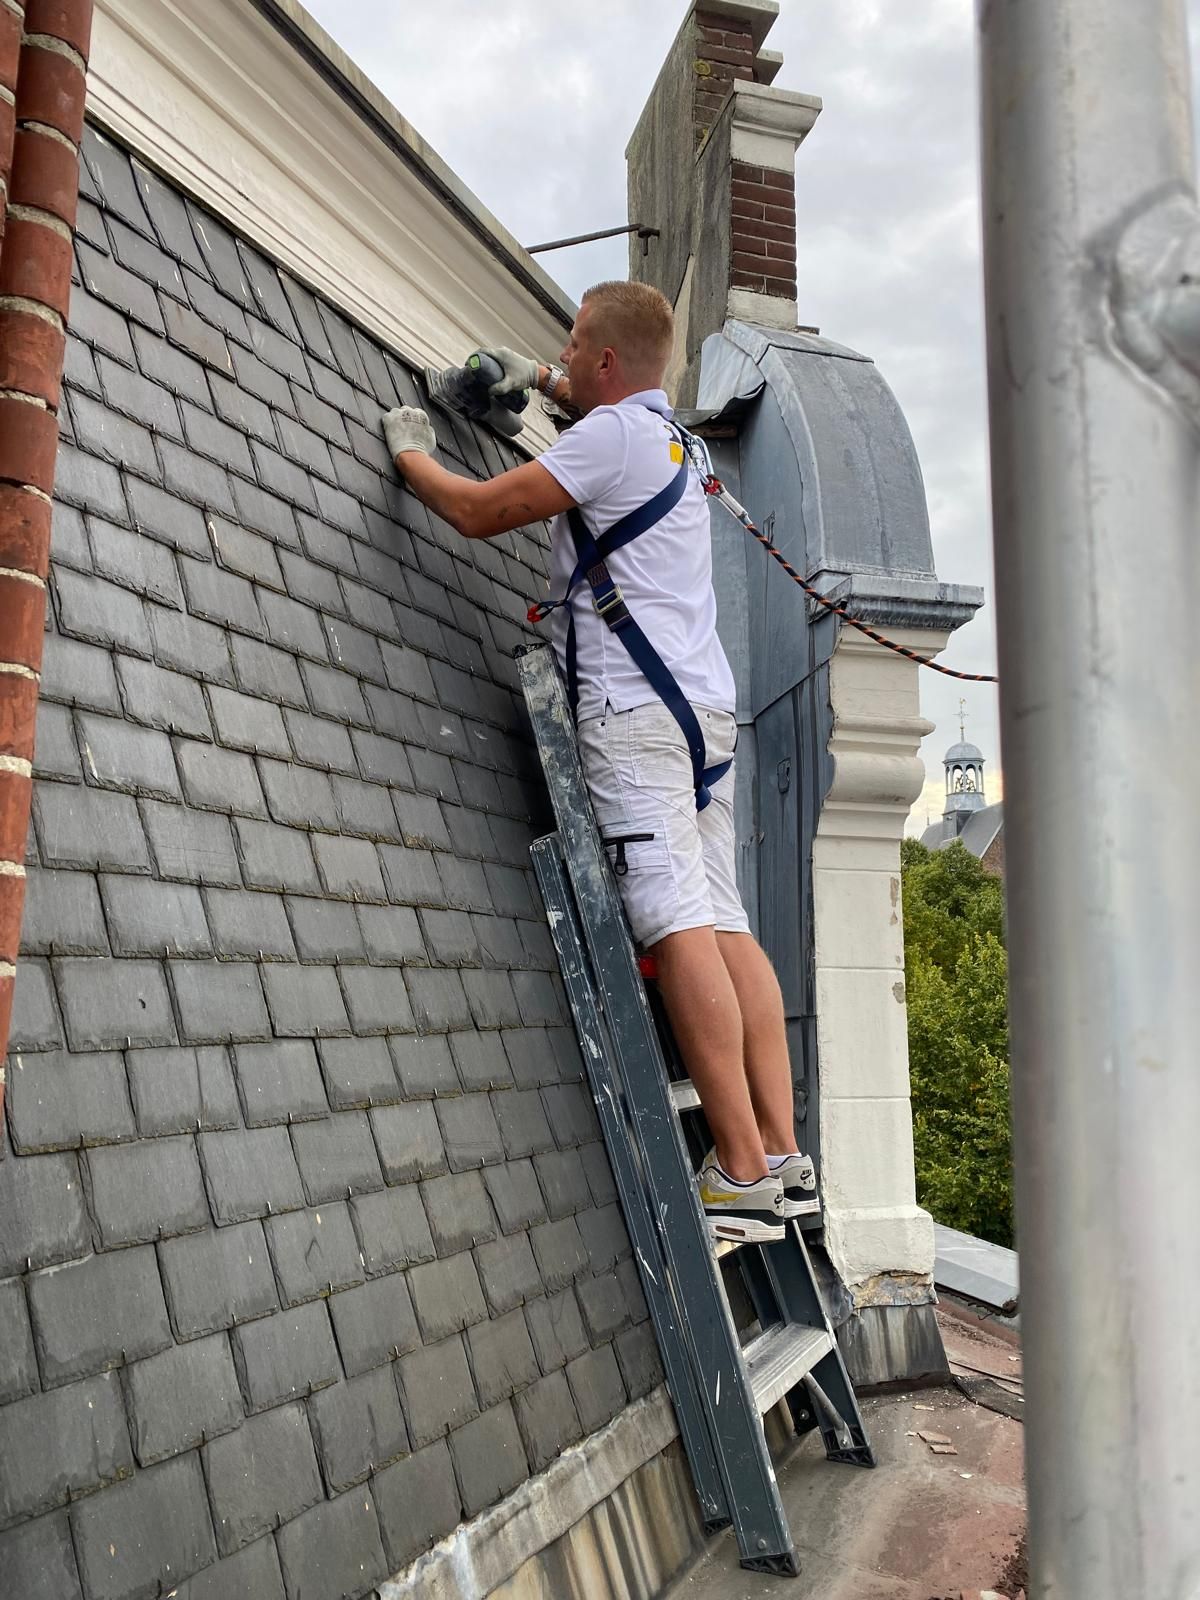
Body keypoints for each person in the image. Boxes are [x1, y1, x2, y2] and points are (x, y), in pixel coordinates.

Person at [382, 281, 817, 1243]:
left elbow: (483, 512)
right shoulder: (675, 441)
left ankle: (739, 1172)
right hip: (702, 711)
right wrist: (536, 375)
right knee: (726, 922)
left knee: (673, 924)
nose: (562, 362)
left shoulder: (610, 441)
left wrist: (412, 453)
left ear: (609, 364)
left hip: (636, 715)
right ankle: (782, 1156)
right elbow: (589, 395)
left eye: (575, 348)